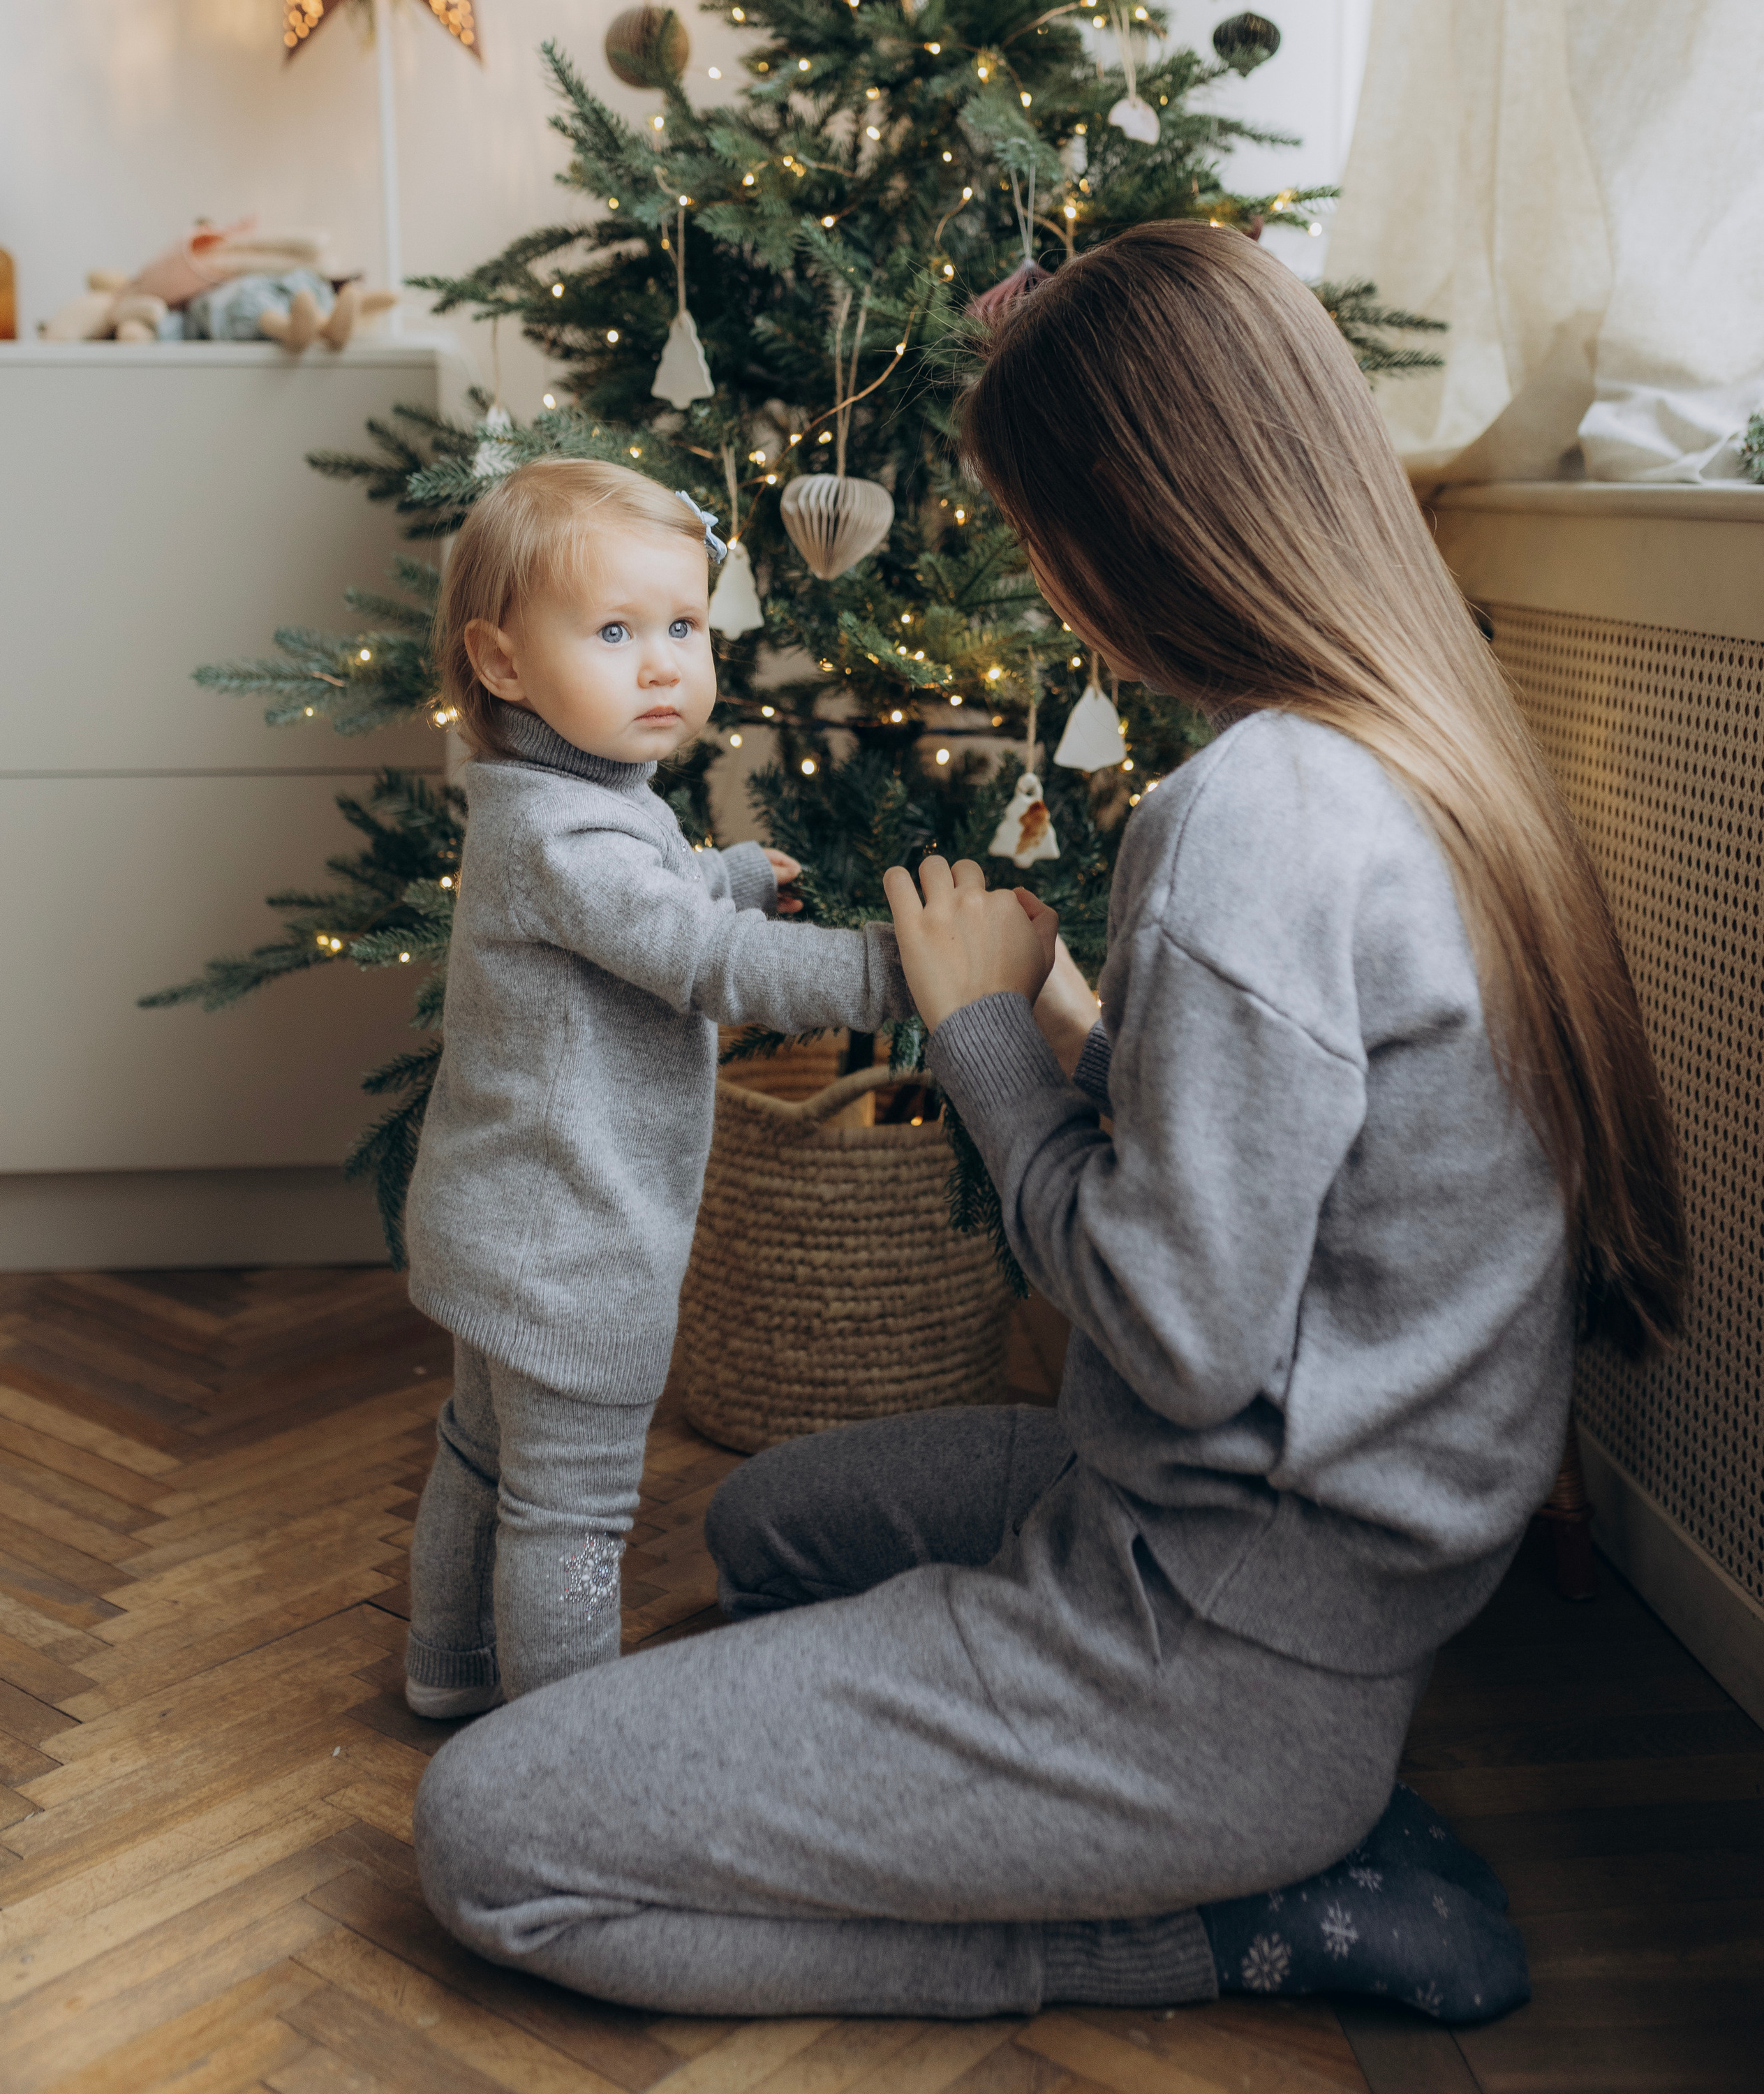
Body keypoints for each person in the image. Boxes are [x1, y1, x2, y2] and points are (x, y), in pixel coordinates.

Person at [411, 226, 1684, 2025]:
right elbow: (1262, 1172)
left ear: (1130, 521)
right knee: (769, 1525)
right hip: (1262, 1562)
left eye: (1033, 532)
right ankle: (1151, 1812)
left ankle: (1224, 1919)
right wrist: (1077, 1024)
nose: (1034, 578)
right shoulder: (1399, 746)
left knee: (487, 1839)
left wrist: (985, 1040)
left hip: (1215, 1647)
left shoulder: (1250, 823)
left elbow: (1177, 1333)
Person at [402, 456, 912, 1715]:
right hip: (570, 1242)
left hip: (502, 1213)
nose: (663, 666)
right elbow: (702, 960)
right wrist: (898, 971)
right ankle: (564, 1747)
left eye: (684, 626)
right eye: (616, 632)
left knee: (481, 1455)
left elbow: (644, 896)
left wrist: (724, 873)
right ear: (502, 662)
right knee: (569, 1513)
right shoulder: (569, 832)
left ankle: (449, 1671)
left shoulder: (557, 798)